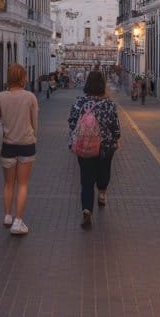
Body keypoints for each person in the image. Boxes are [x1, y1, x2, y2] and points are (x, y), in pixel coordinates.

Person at [67, 69, 122, 229]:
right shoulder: (109, 104)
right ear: (102, 85)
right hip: (106, 146)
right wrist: (117, 138)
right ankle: (102, 193)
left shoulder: (79, 102)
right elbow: (115, 126)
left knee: (86, 179)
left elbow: (71, 122)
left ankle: (86, 210)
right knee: (104, 171)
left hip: (84, 146)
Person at [0, 63, 39, 236]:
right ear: (23, 78)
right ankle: (18, 221)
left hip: (7, 146)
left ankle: (7, 216)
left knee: (8, 183)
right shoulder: (30, 97)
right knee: (23, 184)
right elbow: (34, 122)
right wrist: (34, 137)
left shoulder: (1, 97)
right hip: (26, 145)